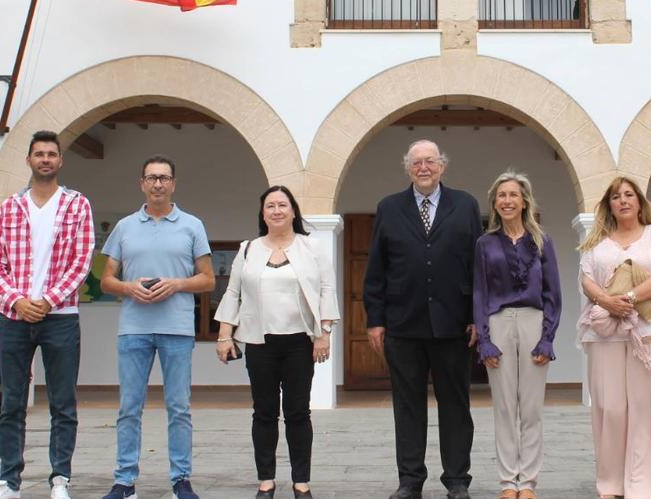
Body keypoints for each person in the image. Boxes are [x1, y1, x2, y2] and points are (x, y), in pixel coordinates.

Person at [364, 139, 482, 499]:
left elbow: (478, 267)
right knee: (407, 406)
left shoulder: (465, 204)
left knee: (456, 406)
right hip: (403, 323)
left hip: (454, 324)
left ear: (442, 166)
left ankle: (457, 479)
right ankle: (410, 480)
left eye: (430, 161)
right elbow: (377, 268)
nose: (424, 167)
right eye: (417, 162)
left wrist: (478, 316)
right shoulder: (389, 207)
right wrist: (375, 319)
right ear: (408, 168)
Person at [0, 130, 94, 499]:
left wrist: (48, 299)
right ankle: (9, 481)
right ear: (29, 160)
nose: (45, 159)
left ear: (61, 161)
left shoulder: (78, 204)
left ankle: (60, 478)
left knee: (63, 402)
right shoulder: (9, 207)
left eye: (51, 154)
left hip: (61, 317)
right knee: (12, 401)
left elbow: (82, 261)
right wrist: (17, 300)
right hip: (13, 318)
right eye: (39, 153)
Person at [99, 155, 215, 499]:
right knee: (128, 407)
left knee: (179, 407)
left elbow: (208, 279)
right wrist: (127, 287)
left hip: (177, 329)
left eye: (164, 178)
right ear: (142, 184)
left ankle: (181, 479)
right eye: (151, 178)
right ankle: (124, 481)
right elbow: (106, 280)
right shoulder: (124, 227)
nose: (158, 184)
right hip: (133, 328)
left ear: (174, 184)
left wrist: (176, 284)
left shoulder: (192, 225)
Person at [214, 185, 340, 499]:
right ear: (263, 213)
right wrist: (223, 335)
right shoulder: (248, 249)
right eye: (270, 205)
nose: (276, 210)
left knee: (298, 413)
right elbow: (233, 294)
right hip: (259, 343)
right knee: (264, 413)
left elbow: (327, 289)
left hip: (300, 342)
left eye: (282, 205)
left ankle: (301, 483)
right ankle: (266, 482)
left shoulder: (311, 247)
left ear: (293, 211)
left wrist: (324, 333)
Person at [577, 176, 651, 499]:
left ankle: (644, 486)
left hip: (648, 333)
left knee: (647, 409)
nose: (623, 200)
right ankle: (610, 485)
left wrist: (629, 297)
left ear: (639, 201)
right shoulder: (597, 242)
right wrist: (607, 301)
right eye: (616, 196)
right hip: (605, 333)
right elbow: (587, 280)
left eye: (629, 195)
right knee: (610, 407)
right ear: (609, 204)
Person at [472, 170, 562, 499]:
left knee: (532, 408)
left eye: (513, 195)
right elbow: (480, 293)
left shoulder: (542, 241)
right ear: (494, 203)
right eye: (501, 196)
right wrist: (484, 339)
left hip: (533, 321)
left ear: (524, 201)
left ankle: (529, 483)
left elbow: (553, 293)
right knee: (505, 407)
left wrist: (547, 337)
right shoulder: (485, 243)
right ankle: (509, 481)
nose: (507, 200)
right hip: (498, 323)